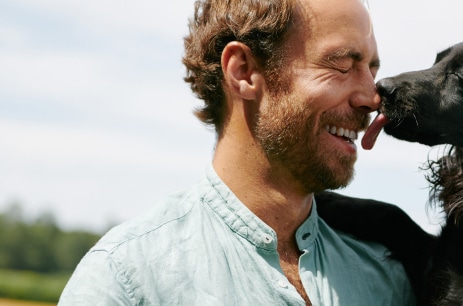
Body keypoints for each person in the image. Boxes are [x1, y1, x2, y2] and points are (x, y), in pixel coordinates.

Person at [58, 0, 416, 304]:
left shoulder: (388, 282)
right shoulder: (127, 280)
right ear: (243, 71)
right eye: (341, 65)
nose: (371, 98)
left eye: (371, 69)